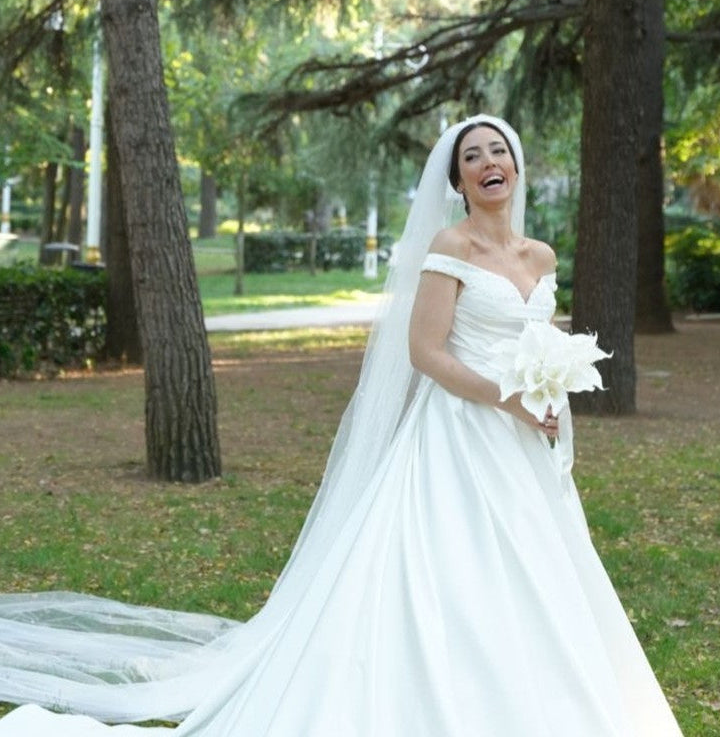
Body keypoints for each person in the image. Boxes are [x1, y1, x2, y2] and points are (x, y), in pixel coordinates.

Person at [0, 115, 684, 736]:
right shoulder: (453, 245)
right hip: (459, 434)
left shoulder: (541, 256)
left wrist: (551, 389)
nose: (487, 162)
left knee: (539, 576)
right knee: (452, 574)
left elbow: (538, 334)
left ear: (516, 164)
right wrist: (506, 396)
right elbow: (426, 352)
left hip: (525, 443)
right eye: (472, 156)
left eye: (498, 150)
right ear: (459, 180)